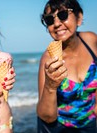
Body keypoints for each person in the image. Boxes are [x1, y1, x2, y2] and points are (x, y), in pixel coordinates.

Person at [37, 0, 97, 132]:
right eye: (49, 20)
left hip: (92, 123)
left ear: (79, 18)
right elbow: (46, 116)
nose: (57, 24)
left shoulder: (91, 39)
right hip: (62, 127)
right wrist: (50, 86)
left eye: (63, 15)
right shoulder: (48, 61)